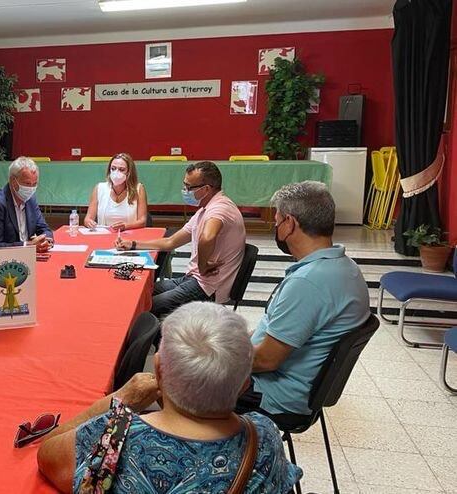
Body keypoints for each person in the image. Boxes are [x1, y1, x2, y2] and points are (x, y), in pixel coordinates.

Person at [37, 302, 302, 493]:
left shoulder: (114, 436)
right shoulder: (264, 436)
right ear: (245, 384)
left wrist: (120, 398)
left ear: (158, 369)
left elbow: (47, 454)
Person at [238, 181, 370, 417]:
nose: (276, 227)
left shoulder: (309, 282)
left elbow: (266, 360)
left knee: (177, 376)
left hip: (272, 394)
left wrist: (216, 358)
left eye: (277, 221)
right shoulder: (345, 267)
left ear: (289, 224)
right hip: (297, 389)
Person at [116, 161, 245, 318]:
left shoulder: (220, 208)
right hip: (192, 279)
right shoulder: (204, 210)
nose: (185, 191)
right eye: (185, 185)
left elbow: (207, 237)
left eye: (189, 187)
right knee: (139, 291)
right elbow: (171, 242)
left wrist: (203, 266)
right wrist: (133, 244)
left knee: (143, 307)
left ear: (206, 189)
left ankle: (152, 340)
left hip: (207, 287)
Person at [0, 157, 54, 288]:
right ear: (13, 181)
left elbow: (44, 227)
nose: (31, 189)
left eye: (34, 184)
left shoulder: (30, 200)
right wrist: (27, 246)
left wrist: (46, 240)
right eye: (27, 184)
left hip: (22, 265)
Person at [84, 153, 148, 231]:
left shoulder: (138, 189)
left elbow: (142, 221)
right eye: (113, 168)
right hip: (104, 236)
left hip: (129, 237)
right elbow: (88, 219)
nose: (116, 172)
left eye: (121, 169)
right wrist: (89, 222)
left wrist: (125, 226)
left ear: (129, 172)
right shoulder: (99, 188)